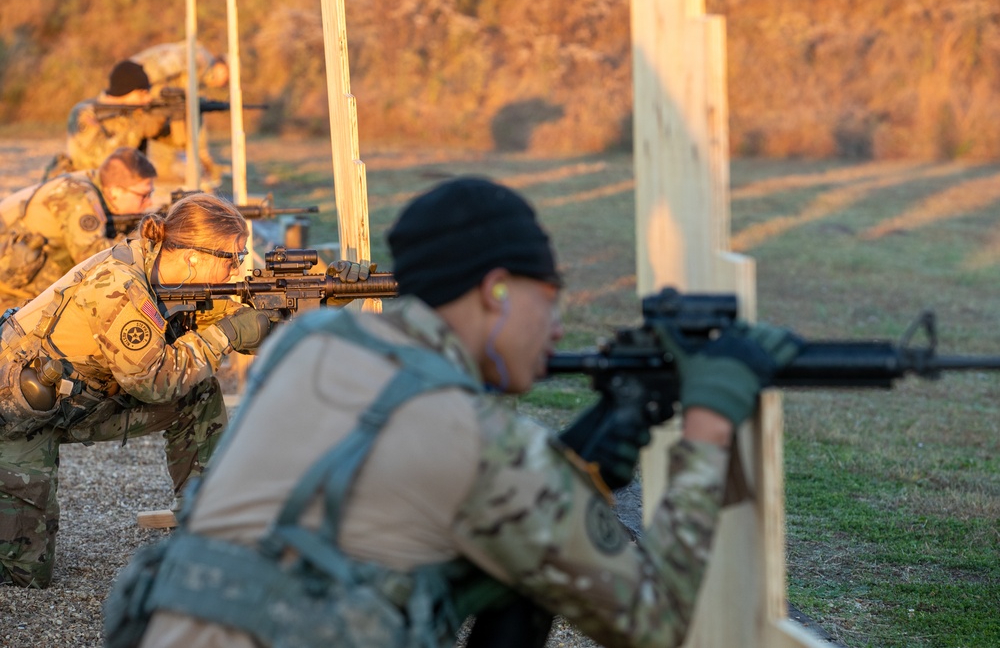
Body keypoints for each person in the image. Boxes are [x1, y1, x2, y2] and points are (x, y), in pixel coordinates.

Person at [103, 178, 801, 648]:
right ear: (496, 290)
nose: (558, 327)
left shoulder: (316, 341)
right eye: (550, 297)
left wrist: (580, 459)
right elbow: (654, 618)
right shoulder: (478, 440)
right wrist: (707, 423)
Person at [0, 193, 276, 588]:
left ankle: (208, 520)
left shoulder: (171, 274)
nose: (237, 269)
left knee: (198, 395)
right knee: (24, 577)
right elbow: (156, 382)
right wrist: (227, 334)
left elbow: (246, 326)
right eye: (231, 257)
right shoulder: (119, 286)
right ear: (194, 255)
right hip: (16, 416)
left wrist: (312, 302)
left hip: (75, 403)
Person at [0, 147, 157, 312]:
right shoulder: (78, 194)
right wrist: (141, 243)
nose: (149, 203)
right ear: (114, 191)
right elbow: (92, 256)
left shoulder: (94, 182)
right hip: (9, 284)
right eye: (144, 195)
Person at [45, 60, 170, 180]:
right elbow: (100, 159)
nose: (147, 98)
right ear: (124, 91)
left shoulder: (136, 112)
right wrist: (138, 130)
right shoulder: (85, 112)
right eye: (141, 93)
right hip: (84, 187)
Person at [130, 41, 230, 186]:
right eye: (226, 80)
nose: (222, 84)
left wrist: (203, 154)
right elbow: (163, 66)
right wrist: (138, 89)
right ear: (222, 69)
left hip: (144, 85)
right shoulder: (200, 57)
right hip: (137, 80)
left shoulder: (199, 73)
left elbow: (194, 117)